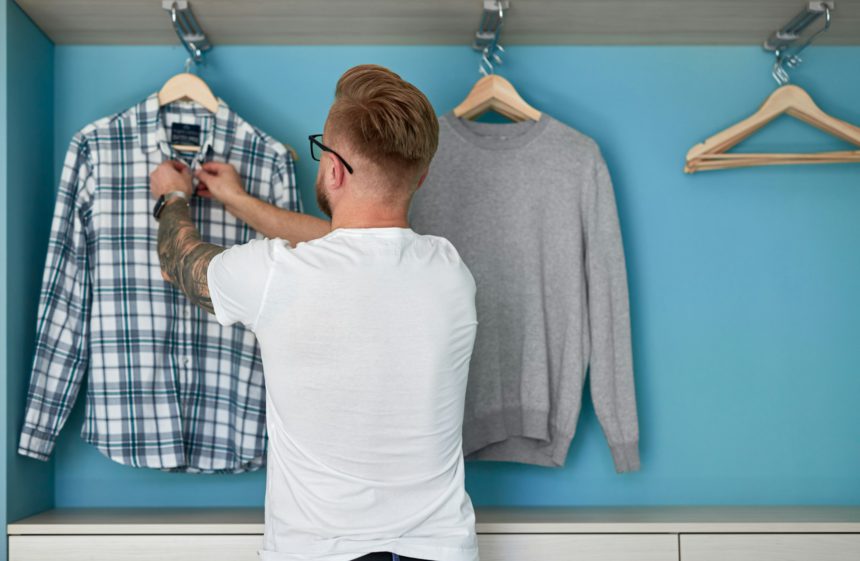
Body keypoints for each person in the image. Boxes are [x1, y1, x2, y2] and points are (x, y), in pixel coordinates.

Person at [149, 64, 481, 561]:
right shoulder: (450, 271)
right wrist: (239, 201)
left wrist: (170, 198)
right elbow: (357, 247)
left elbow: (181, 262)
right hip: (440, 551)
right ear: (422, 175)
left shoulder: (276, 276)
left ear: (333, 169)